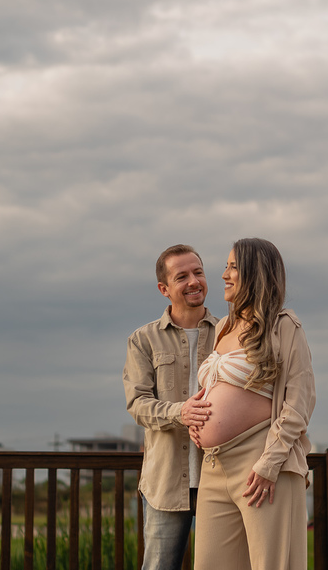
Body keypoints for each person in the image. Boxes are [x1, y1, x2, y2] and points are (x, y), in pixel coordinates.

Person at [190, 238, 316, 570]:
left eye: (232, 266)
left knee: (269, 565)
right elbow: (221, 386)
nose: (224, 275)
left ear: (254, 272)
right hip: (214, 465)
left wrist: (269, 463)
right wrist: (195, 415)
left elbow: (300, 401)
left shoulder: (284, 325)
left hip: (261, 463)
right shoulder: (223, 327)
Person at [123, 244, 220, 570]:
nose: (194, 281)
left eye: (198, 272)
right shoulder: (143, 339)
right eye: (182, 276)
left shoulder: (229, 334)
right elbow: (137, 404)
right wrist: (180, 412)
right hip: (165, 484)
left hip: (221, 478)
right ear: (164, 289)